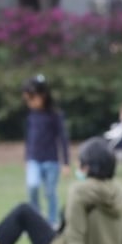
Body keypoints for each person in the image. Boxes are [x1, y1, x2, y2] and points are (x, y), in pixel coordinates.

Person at [23, 74, 70, 228]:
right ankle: (35, 217)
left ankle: (52, 220)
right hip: (34, 159)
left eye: (32, 98)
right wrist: (27, 158)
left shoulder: (55, 115)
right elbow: (29, 139)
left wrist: (66, 162)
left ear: (42, 96)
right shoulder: (31, 116)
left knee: (50, 192)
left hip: (51, 160)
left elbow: (62, 138)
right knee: (33, 185)